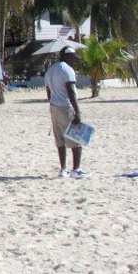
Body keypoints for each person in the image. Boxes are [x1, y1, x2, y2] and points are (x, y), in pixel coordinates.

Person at [44, 47, 85, 178]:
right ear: (67, 56)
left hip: (53, 107)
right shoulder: (67, 70)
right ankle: (76, 170)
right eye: (73, 57)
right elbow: (71, 92)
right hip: (66, 107)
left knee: (60, 140)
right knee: (76, 139)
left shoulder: (50, 70)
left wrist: (53, 104)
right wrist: (77, 112)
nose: (74, 60)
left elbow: (48, 93)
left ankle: (63, 170)